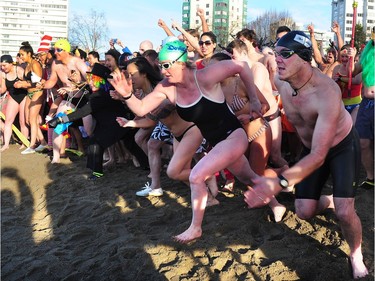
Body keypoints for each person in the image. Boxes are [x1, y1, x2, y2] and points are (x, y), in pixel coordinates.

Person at [110, 40, 262, 244]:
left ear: (181, 63)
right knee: (250, 178)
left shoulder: (205, 75)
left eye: (166, 65)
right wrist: (127, 95)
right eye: (160, 66)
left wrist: (254, 99)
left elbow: (242, 67)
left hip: (233, 135)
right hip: (217, 142)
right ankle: (276, 202)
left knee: (196, 176)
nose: (163, 71)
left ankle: (195, 228)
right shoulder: (167, 88)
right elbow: (142, 108)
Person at [244, 31, 368, 279]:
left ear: (304, 58)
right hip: (314, 149)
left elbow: (320, 154)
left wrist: (277, 184)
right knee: (303, 211)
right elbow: (249, 75)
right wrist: (256, 107)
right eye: (276, 54)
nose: (277, 60)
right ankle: (329, 200)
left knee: (345, 212)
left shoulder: (326, 91)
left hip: (341, 146)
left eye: (285, 54)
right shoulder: (281, 81)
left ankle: (356, 254)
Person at [48, 63, 148, 179]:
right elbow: (80, 92)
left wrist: (60, 119)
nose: (91, 82)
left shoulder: (101, 95)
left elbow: (83, 112)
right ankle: (146, 164)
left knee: (95, 143)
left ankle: (97, 172)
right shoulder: (98, 91)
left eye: (94, 80)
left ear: (102, 82)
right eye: (90, 79)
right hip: (117, 122)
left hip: (118, 124)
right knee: (130, 144)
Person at [38, 38, 91, 163]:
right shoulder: (56, 64)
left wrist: (75, 85)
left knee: (89, 129)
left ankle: (100, 151)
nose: (55, 52)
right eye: (55, 49)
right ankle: (56, 158)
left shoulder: (77, 62)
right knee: (58, 123)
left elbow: (91, 80)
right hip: (69, 99)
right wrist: (43, 85)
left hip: (84, 98)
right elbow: (52, 81)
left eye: (59, 50)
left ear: (66, 51)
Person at [15, 41, 48, 154]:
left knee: (33, 119)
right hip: (29, 94)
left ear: (29, 54)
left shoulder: (35, 64)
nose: (20, 57)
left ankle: (32, 145)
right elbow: (29, 81)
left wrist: (23, 84)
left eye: (22, 54)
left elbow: (38, 82)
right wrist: (20, 83)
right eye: (19, 54)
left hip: (37, 93)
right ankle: (43, 143)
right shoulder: (27, 65)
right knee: (29, 120)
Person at [355, 36, 374, 189]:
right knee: (362, 142)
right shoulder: (367, 52)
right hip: (366, 103)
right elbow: (354, 71)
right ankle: (370, 177)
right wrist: (349, 60)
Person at [0, 55, 28, 151]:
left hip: (24, 96)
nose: (3, 68)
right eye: (1, 66)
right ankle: (6, 144)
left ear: (11, 64)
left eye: (4, 65)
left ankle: (24, 143)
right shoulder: (3, 73)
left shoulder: (19, 70)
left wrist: (21, 85)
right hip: (13, 97)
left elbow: (29, 84)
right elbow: (3, 88)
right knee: (8, 121)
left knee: (22, 122)